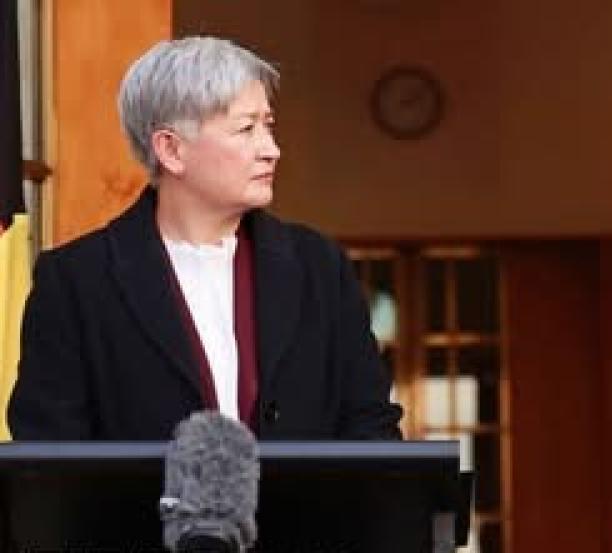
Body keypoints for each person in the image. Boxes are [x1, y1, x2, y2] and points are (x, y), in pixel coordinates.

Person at [9, 37, 402, 440]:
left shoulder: (318, 265)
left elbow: (372, 427)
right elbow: (50, 453)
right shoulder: (76, 281)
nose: (271, 149)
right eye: (246, 129)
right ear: (171, 150)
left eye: (268, 125)